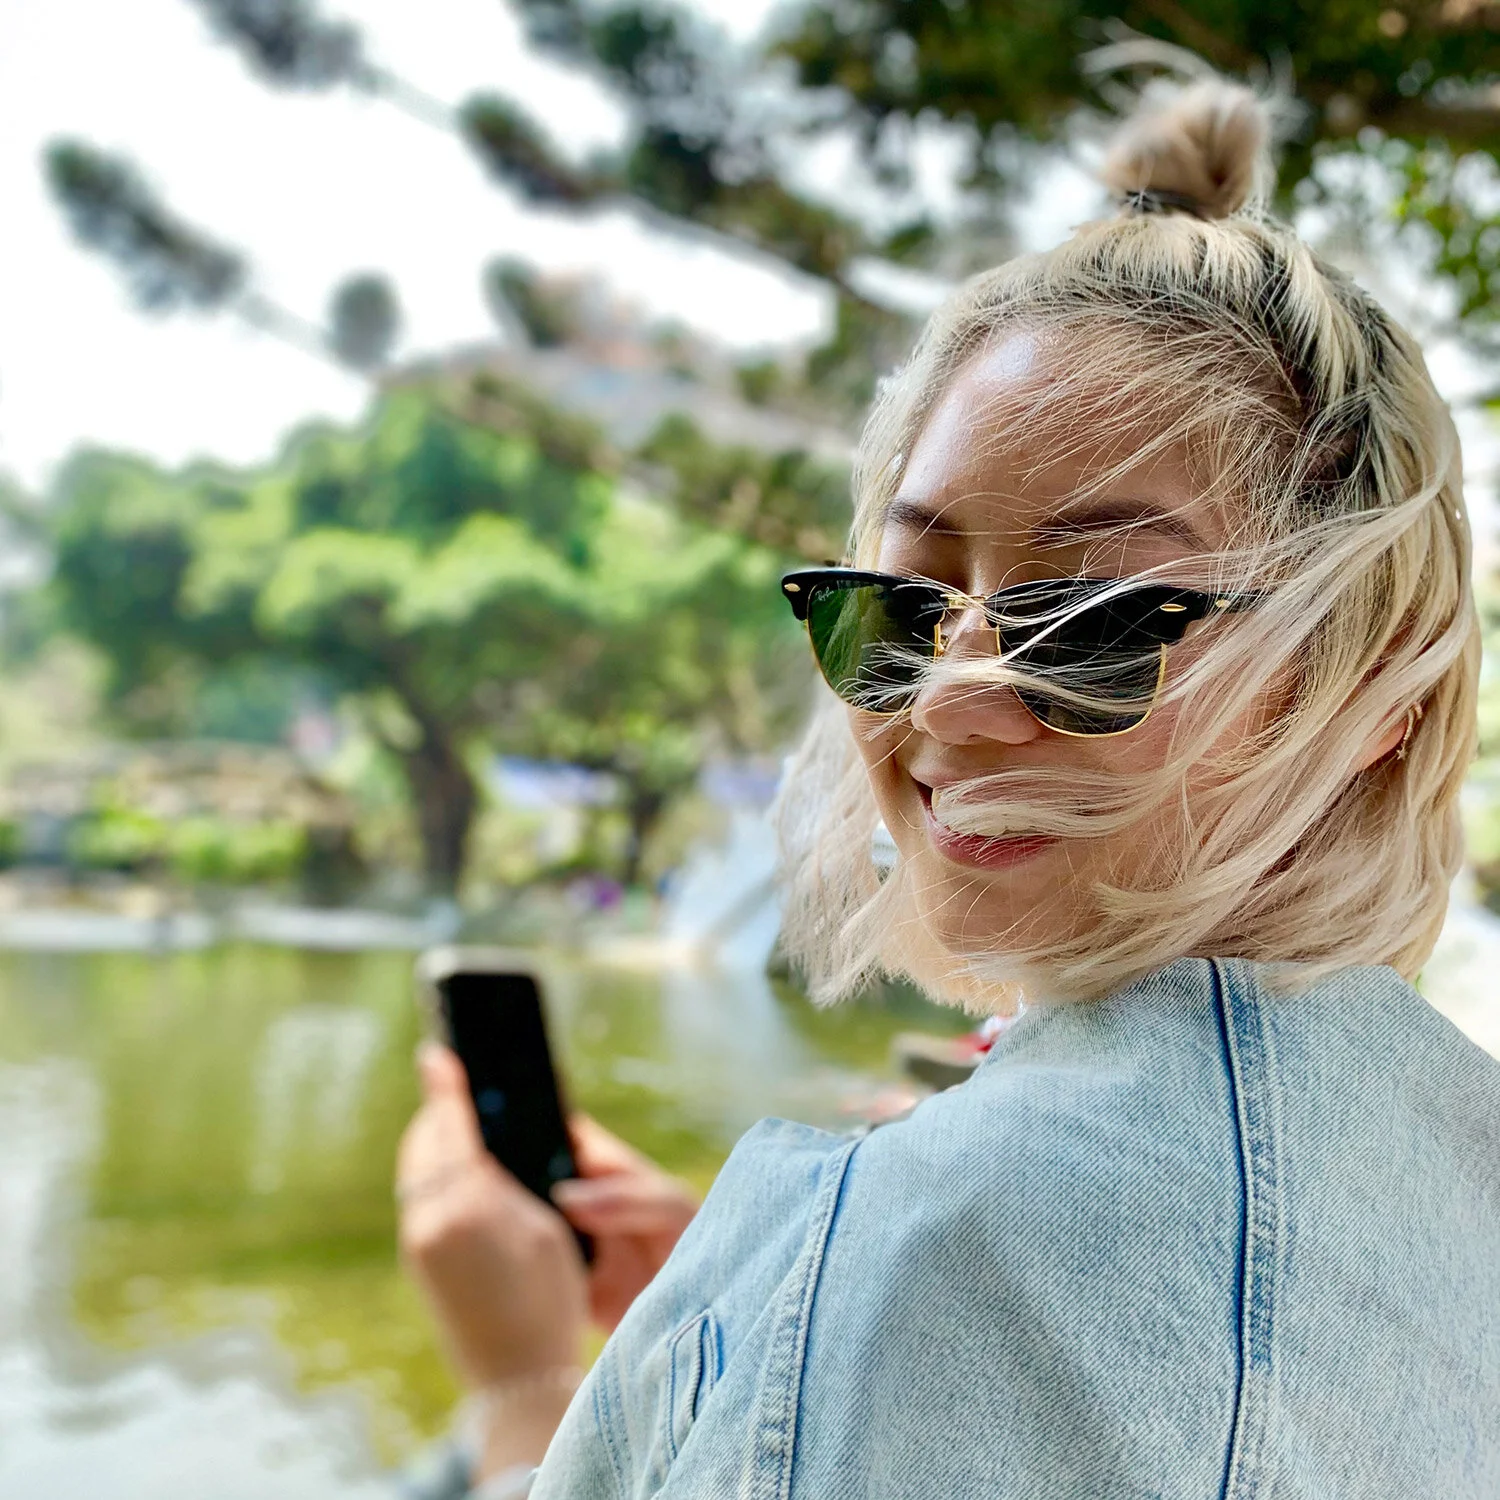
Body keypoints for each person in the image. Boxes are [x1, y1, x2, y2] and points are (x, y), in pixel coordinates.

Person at [397, 65, 1500, 1499]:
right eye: (900, 610)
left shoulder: (940, 1244)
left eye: (1096, 620)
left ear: (1372, 691)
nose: (948, 700)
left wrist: (525, 1389)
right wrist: (745, 1340)